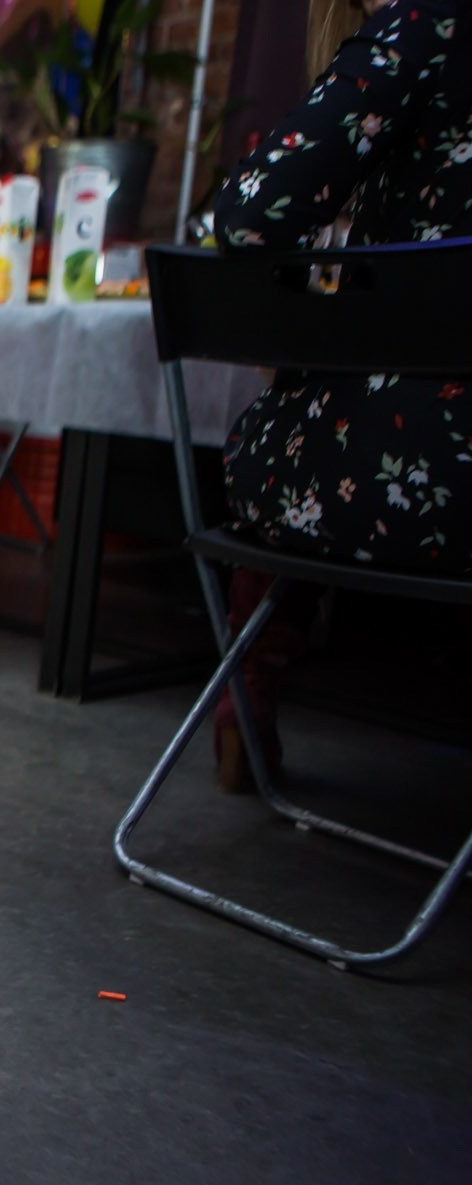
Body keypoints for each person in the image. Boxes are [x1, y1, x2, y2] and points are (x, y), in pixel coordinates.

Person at [208, 0, 470, 786]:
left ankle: (248, 695)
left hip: (426, 469)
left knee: (279, 429)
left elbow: (248, 215)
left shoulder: (425, 24)